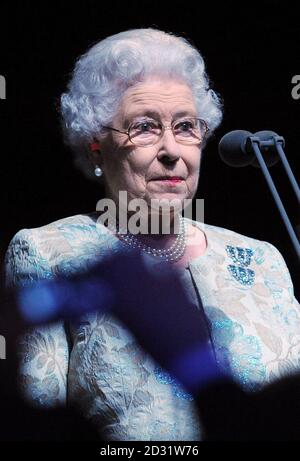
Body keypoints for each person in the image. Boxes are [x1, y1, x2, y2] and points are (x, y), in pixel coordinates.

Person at [4, 28, 300, 441]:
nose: (171, 150)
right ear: (96, 147)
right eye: (144, 127)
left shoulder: (261, 258)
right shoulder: (48, 252)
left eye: (186, 127)